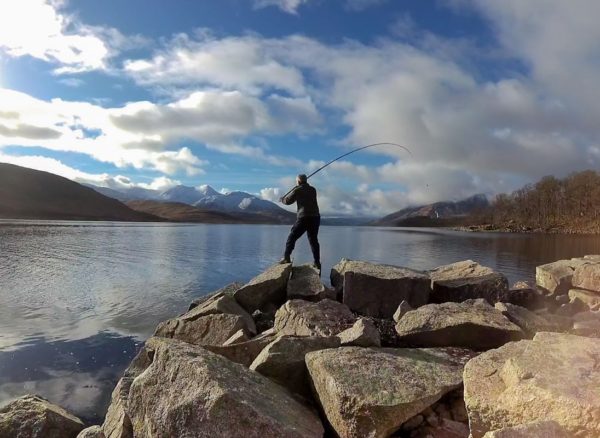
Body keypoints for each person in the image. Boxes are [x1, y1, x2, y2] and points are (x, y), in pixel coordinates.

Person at [279, 174, 321, 272]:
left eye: (296, 181)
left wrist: (282, 200)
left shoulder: (297, 190)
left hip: (304, 217)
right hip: (315, 217)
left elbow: (288, 201)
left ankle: (286, 257)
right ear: (306, 180)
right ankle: (317, 262)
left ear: (298, 181)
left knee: (292, 237)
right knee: (313, 240)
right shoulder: (313, 189)